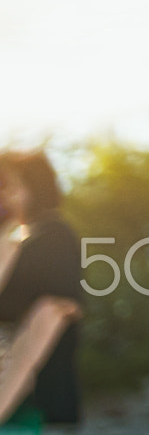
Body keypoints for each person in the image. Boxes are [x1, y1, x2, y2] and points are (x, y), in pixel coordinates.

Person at [0, 151, 82, 431]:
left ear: (33, 189)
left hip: (30, 407)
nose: (4, 195)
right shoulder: (21, 243)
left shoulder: (53, 238)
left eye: (10, 186)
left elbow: (51, 315)